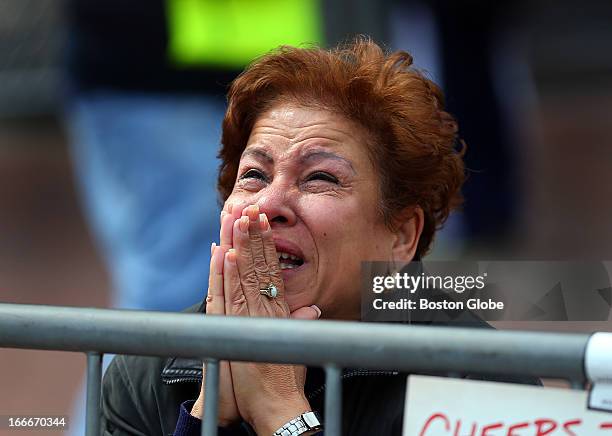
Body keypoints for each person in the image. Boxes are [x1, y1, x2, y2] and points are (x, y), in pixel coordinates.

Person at [101, 38, 534, 436]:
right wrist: (208, 420)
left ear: (402, 235)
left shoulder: (484, 382)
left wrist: (281, 414)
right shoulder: (146, 371)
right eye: (253, 175)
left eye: (320, 178)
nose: (268, 205)